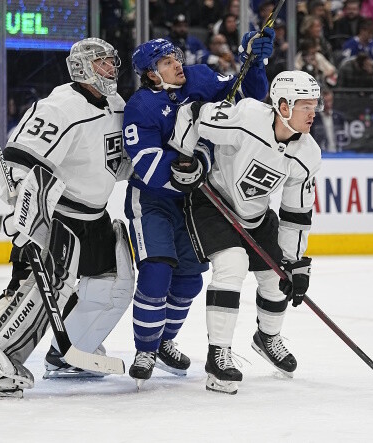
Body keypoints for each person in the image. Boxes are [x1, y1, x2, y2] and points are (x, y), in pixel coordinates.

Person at [0, 38, 134, 398]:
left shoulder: (116, 105)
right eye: (103, 63)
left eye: (111, 62)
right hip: (57, 216)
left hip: (95, 216)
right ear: (82, 68)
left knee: (113, 285)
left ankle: (69, 352)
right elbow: (19, 160)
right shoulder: (59, 106)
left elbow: (115, 164)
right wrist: (23, 208)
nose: (111, 69)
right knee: (34, 290)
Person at [122, 32, 273, 387]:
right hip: (152, 201)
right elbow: (149, 167)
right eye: (166, 62)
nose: (177, 65)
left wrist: (253, 62)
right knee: (157, 272)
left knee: (189, 280)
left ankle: (164, 341)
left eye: (176, 57)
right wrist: (190, 161)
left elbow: (247, 97)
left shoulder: (201, 78)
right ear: (150, 74)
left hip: (194, 203)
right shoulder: (140, 106)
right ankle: (145, 348)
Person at [168, 70, 322, 394]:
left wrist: (294, 262)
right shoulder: (248, 117)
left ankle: (267, 337)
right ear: (282, 106)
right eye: (304, 105)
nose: (313, 112)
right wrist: (184, 158)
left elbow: (296, 214)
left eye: (315, 105)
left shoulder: (308, 153)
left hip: (256, 214)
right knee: (232, 265)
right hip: (214, 202)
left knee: (276, 277)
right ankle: (218, 356)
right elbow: (193, 114)